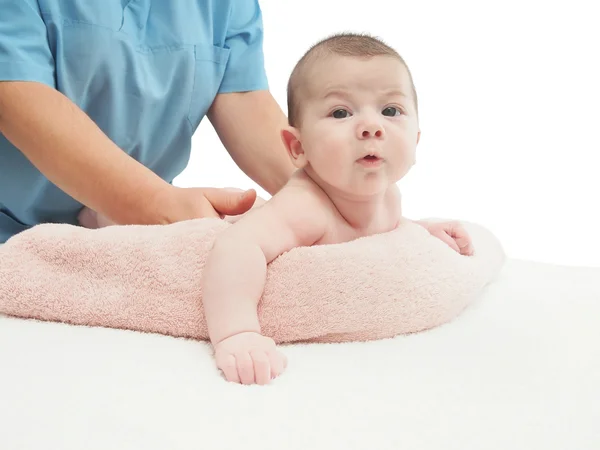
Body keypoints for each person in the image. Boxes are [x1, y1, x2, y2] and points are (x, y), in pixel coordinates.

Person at [200, 33, 475, 385]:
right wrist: (236, 334)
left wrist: (423, 230)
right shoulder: (306, 206)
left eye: (391, 110)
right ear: (297, 146)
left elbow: (384, 231)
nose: (372, 127)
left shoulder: (390, 196)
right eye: (341, 112)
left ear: (416, 139)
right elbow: (237, 247)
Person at [0, 0, 295, 244]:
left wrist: (324, 194)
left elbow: (245, 99)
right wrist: (160, 207)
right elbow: (15, 94)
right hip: (12, 237)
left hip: (131, 242)